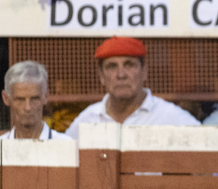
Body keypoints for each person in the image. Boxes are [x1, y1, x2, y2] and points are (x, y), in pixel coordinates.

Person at [65, 37, 200, 137]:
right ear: (101, 75)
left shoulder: (170, 117)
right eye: (112, 66)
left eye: (129, 65)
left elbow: (214, 162)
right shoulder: (88, 119)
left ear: (144, 71)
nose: (121, 74)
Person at [0, 61, 65, 140]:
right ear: (6, 98)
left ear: (45, 96)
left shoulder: (66, 145)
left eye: (34, 99)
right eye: (20, 99)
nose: (28, 107)